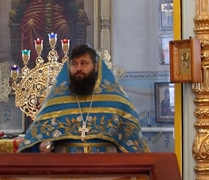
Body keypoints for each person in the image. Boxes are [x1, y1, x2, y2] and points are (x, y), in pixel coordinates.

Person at [18, 44, 149, 153]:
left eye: (84, 63)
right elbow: (35, 140)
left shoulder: (116, 101)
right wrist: (40, 147)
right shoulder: (56, 101)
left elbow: (131, 143)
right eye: (74, 64)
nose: (79, 68)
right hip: (66, 169)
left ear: (95, 66)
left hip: (105, 169)